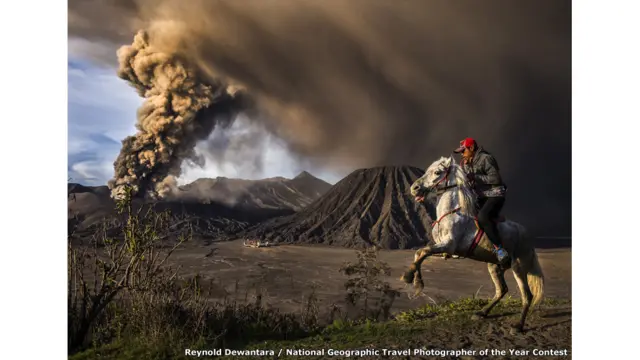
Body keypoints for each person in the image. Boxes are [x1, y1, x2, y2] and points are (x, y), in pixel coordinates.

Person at [454, 137, 510, 265]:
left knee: (482, 217)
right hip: (480, 196)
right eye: (461, 152)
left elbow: (496, 179)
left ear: (472, 148)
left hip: (495, 194)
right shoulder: (465, 163)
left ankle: (500, 249)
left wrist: (475, 177)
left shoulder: (486, 158)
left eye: (464, 151)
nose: (462, 154)